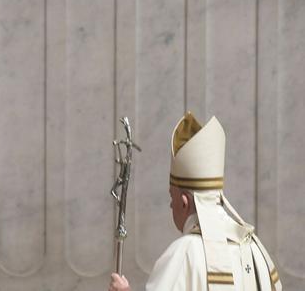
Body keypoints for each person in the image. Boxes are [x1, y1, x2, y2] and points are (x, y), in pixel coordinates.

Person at [109, 112, 282, 291]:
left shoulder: (185, 252)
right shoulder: (253, 246)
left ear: (184, 202)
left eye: (171, 197)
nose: (170, 205)